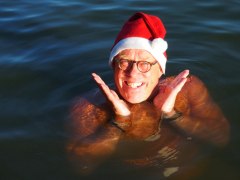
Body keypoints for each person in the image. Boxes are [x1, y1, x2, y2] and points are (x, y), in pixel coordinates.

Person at [66, 12, 230, 177]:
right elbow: (82, 164)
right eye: (124, 62)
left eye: (145, 64)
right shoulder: (89, 106)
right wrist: (118, 123)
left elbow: (221, 137)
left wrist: (172, 114)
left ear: (160, 70)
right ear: (114, 67)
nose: (133, 73)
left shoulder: (188, 88)